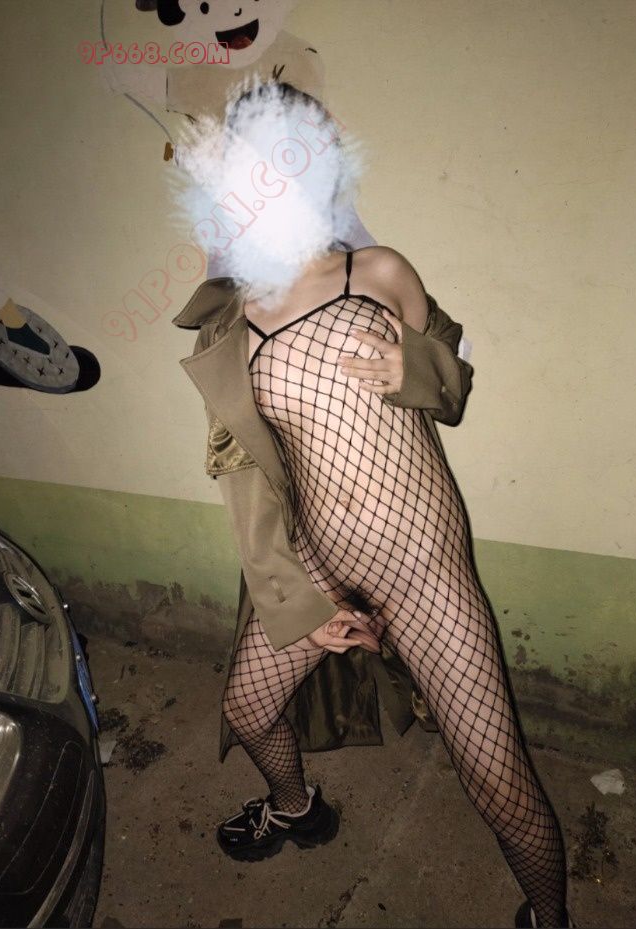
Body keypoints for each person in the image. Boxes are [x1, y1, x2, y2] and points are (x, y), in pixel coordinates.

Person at [173, 80, 575, 929]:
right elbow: (246, 477)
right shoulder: (233, 321)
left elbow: (451, 384)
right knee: (247, 708)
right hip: (322, 560)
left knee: (499, 782)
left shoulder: (379, 270)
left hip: (426, 571)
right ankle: (295, 806)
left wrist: (412, 368)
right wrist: (300, 601)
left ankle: (550, 914)